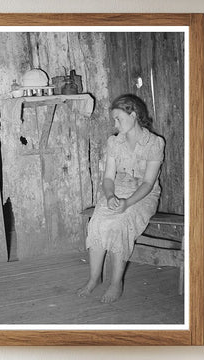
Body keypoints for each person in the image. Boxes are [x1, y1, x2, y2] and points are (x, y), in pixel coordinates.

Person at [77, 94, 165, 303]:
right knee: (97, 222)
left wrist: (127, 203)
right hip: (118, 189)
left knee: (120, 224)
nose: (115, 124)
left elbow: (148, 183)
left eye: (118, 119)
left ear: (133, 115)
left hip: (143, 195)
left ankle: (116, 283)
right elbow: (108, 178)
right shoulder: (114, 142)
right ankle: (94, 278)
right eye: (114, 120)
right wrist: (110, 196)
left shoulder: (154, 143)